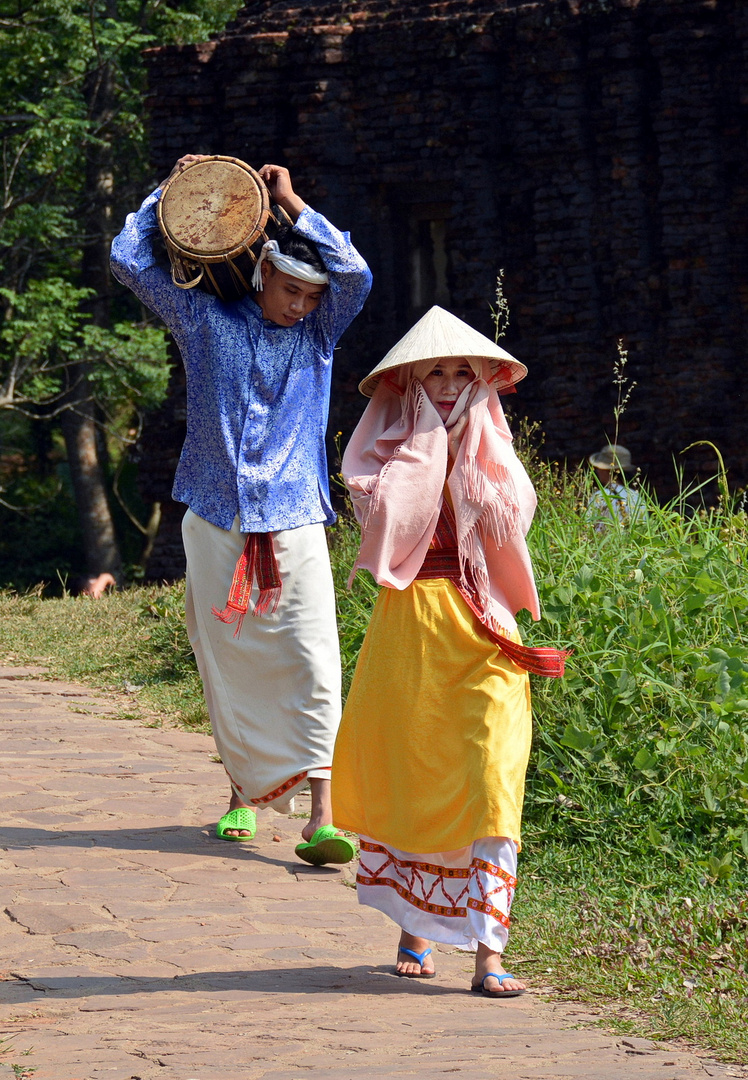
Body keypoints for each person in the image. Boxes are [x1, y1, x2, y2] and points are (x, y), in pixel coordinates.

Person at [111, 156, 371, 863]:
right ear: (263, 276)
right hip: (216, 515)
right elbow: (128, 259)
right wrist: (168, 188)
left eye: (311, 297)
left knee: (313, 659)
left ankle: (323, 816)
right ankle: (240, 798)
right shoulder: (204, 321)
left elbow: (356, 275)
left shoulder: (319, 339)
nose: (302, 305)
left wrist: (292, 203)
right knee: (230, 660)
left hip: (296, 518)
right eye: (291, 290)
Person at [331, 306, 566, 997]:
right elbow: (385, 516)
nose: (448, 381)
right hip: (412, 627)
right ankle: (416, 925)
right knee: (415, 774)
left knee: (492, 776)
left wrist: (467, 447)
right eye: (435, 368)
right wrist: (427, 446)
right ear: (408, 378)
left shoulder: (493, 445)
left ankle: (490, 953)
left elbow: (510, 515)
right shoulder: (381, 456)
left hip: (486, 627)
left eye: (463, 370)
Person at [586, 443, 647, 532]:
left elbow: (588, 529)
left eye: (598, 467)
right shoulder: (637, 498)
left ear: (604, 469)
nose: (597, 470)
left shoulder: (600, 496)